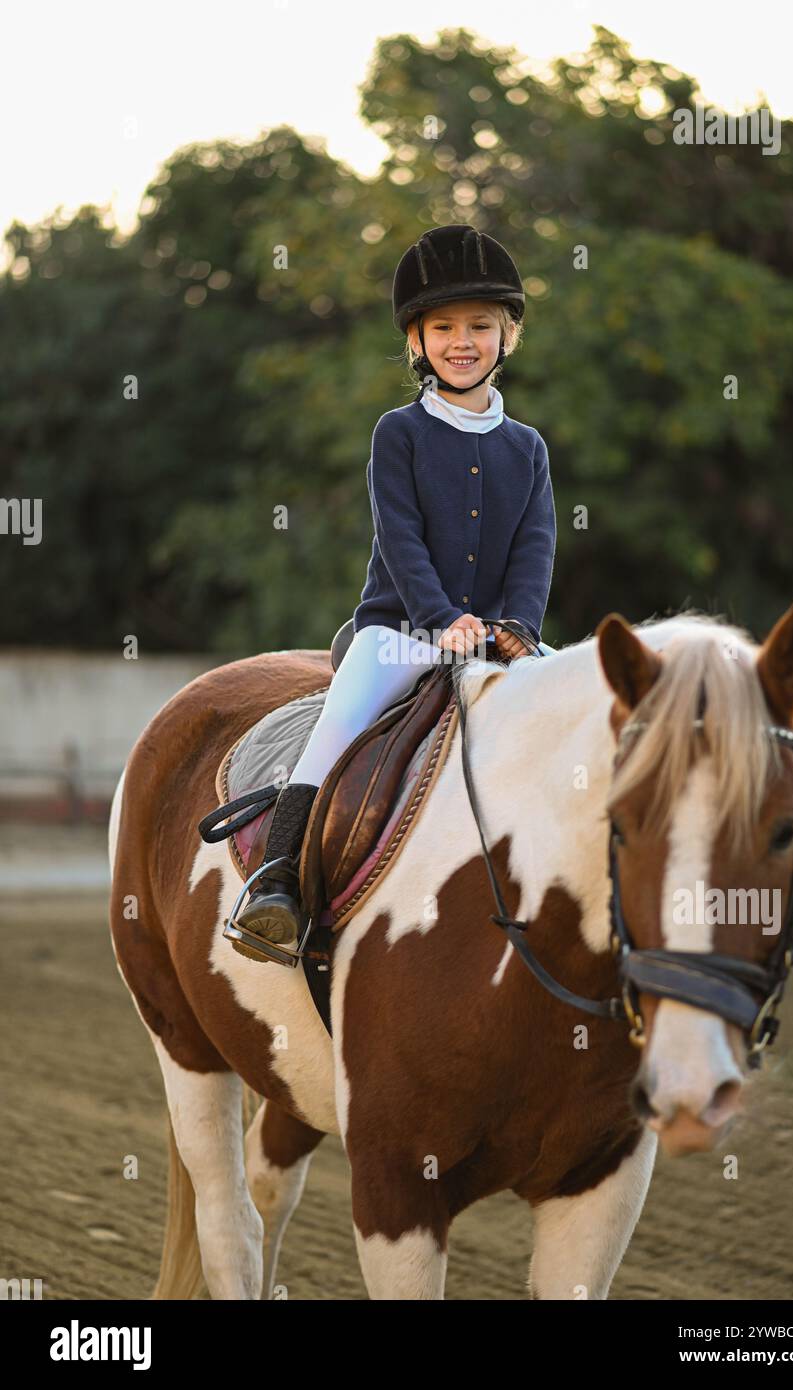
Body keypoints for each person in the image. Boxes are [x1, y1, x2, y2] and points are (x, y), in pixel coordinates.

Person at [233, 223, 557, 961]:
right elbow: (401, 540)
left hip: (498, 641)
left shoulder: (528, 448)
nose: (462, 340)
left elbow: (537, 547)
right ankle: (277, 882)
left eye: (480, 325)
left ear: (509, 336)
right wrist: (441, 619)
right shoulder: (399, 433)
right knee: (339, 721)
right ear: (418, 343)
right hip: (400, 633)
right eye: (443, 327)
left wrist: (521, 626)